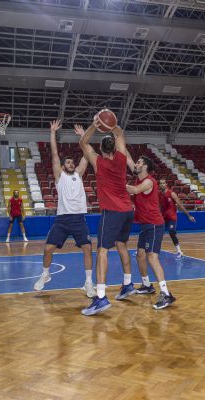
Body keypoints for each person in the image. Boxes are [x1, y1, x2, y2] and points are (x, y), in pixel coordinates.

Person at [75, 121, 135, 316]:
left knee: (102, 251)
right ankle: (127, 284)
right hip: (127, 210)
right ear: (114, 147)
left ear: (101, 149)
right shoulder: (122, 157)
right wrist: (112, 123)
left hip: (112, 211)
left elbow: (83, 143)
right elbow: (120, 133)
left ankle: (100, 297)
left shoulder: (98, 162)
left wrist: (95, 124)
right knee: (122, 246)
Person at [33, 120, 95, 297]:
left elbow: (87, 153)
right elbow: (54, 153)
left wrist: (83, 136)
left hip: (78, 219)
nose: (71, 163)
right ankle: (45, 275)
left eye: (71, 162)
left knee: (87, 249)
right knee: (48, 249)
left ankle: (89, 282)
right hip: (62, 220)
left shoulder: (79, 174)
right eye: (67, 162)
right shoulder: (60, 177)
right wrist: (52, 132)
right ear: (61, 166)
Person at [127, 157, 176, 309]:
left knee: (152, 256)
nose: (136, 164)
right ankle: (147, 285)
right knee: (140, 255)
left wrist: (115, 182)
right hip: (145, 225)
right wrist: (118, 137)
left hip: (155, 224)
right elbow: (128, 157)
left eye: (139, 162)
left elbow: (134, 191)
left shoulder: (149, 181)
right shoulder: (139, 178)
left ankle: (166, 294)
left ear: (146, 166)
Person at [158, 179, 196, 260]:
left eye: (163, 183)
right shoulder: (159, 194)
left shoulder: (172, 193)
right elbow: (160, 206)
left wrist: (189, 216)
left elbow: (180, 205)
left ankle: (179, 252)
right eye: (160, 183)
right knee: (156, 232)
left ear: (166, 184)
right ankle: (149, 250)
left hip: (172, 217)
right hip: (163, 217)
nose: (162, 184)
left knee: (171, 232)